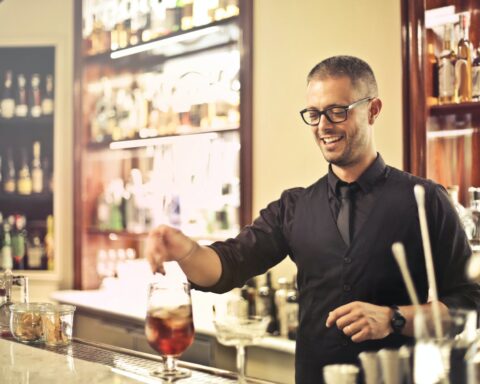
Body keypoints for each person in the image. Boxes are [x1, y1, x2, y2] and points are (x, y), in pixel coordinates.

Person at [146, 55, 480, 384]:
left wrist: (394, 318)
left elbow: (471, 305)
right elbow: (227, 265)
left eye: (337, 111)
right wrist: (186, 250)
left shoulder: (425, 200)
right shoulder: (294, 207)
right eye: (314, 114)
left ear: (373, 110)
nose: (323, 125)